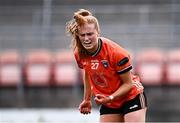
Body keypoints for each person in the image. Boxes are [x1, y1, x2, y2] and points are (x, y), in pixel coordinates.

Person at [66, 9, 147, 122]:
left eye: (90, 34)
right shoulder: (79, 53)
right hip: (109, 102)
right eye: (82, 35)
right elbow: (88, 73)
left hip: (131, 97)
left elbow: (128, 84)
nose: (86, 39)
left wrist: (110, 98)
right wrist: (87, 99)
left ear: (98, 32)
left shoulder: (116, 53)